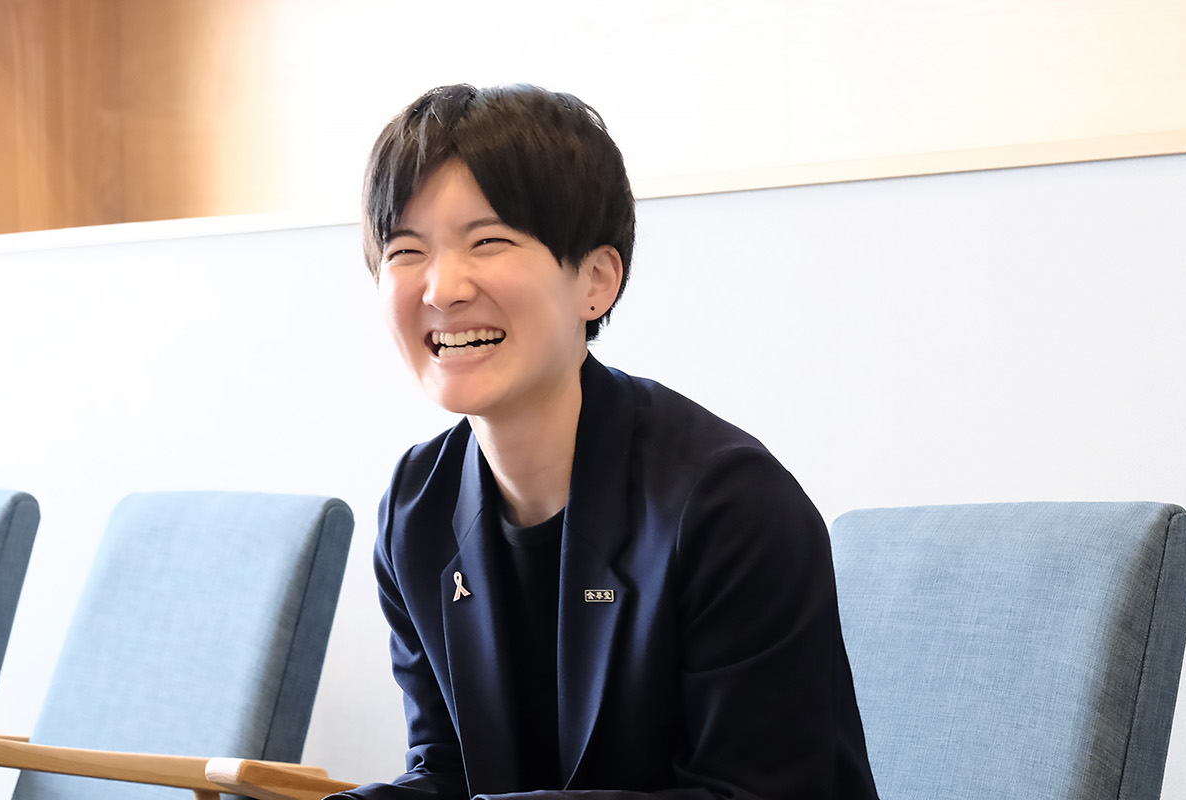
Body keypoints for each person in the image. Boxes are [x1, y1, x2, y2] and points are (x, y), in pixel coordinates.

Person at [343, 83, 878, 800]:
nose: (441, 289)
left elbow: (753, 793)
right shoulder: (418, 506)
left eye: (488, 241)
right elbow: (443, 770)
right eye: (406, 250)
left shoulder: (728, 505)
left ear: (596, 280)